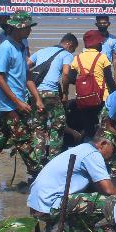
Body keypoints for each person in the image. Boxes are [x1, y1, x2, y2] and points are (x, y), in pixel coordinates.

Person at [0, 11, 45, 196]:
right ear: (18, 27)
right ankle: (40, 180)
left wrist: (36, 97)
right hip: (9, 105)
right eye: (27, 27)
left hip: (19, 101)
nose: (29, 30)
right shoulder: (5, 47)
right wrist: (18, 102)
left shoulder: (20, 47)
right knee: (25, 142)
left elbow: (27, 77)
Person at [27, 137, 116, 232]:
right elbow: (108, 190)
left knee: (91, 195)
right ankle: (62, 231)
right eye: (113, 150)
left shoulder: (81, 149)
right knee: (110, 202)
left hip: (39, 205)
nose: (113, 155)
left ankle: (55, 226)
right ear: (103, 144)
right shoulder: (92, 154)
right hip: (49, 205)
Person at [31, 33, 78, 161]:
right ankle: (53, 159)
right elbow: (66, 74)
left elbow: (26, 66)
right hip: (51, 93)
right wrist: (66, 93)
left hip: (35, 93)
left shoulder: (42, 51)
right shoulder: (66, 54)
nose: (72, 52)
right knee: (57, 127)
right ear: (69, 44)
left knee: (38, 128)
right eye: (73, 49)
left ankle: (38, 161)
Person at [67, 29, 116, 140]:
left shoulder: (77, 58)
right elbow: (109, 80)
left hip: (83, 99)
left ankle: (88, 147)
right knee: (102, 128)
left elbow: (70, 78)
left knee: (88, 127)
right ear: (97, 44)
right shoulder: (102, 57)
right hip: (101, 98)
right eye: (100, 43)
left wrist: (84, 84)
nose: (101, 44)